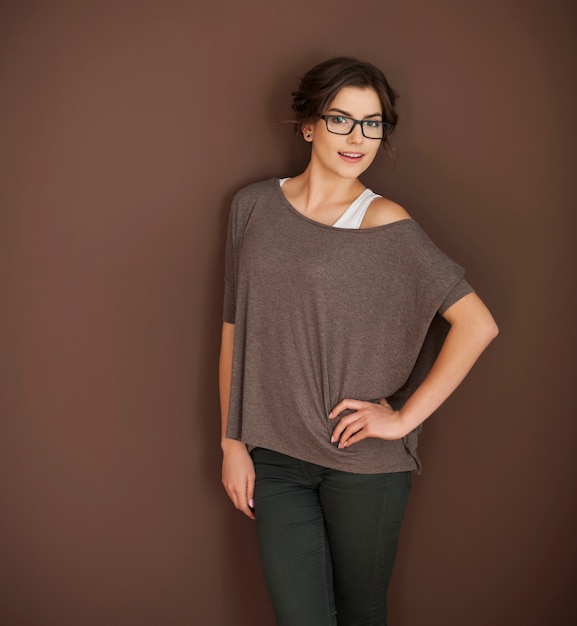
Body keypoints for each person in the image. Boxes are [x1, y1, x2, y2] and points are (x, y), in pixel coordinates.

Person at [219, 56, 498, 626]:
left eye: (373, 123)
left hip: (363, 466)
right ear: (308, 125)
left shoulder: (386, 221)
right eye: (341, 119)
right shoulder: (251, 207)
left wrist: (401, 420)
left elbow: (478, 324)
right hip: (274, 457)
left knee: (362, 614)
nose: (357, 137)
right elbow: (234, 328)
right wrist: (231, 442)